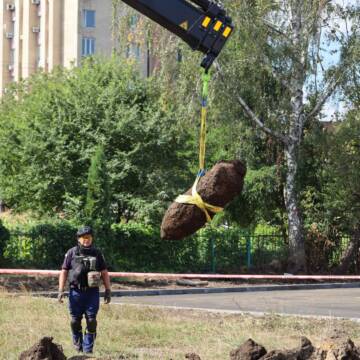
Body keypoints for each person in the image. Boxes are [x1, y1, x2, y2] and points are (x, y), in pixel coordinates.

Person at [58, 226, 111, 354]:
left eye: (89, 237)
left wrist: (108, 290)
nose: (86, 240)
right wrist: (60, 290)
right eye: (84, 238)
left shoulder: (97, 253)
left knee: (91, 321)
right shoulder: (71, 252)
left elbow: (104, 272)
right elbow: (64, 271)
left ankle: (88, 350)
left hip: (92, 293)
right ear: (79, 239)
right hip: (75, 292)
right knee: (75, 321)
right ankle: (78, 345)